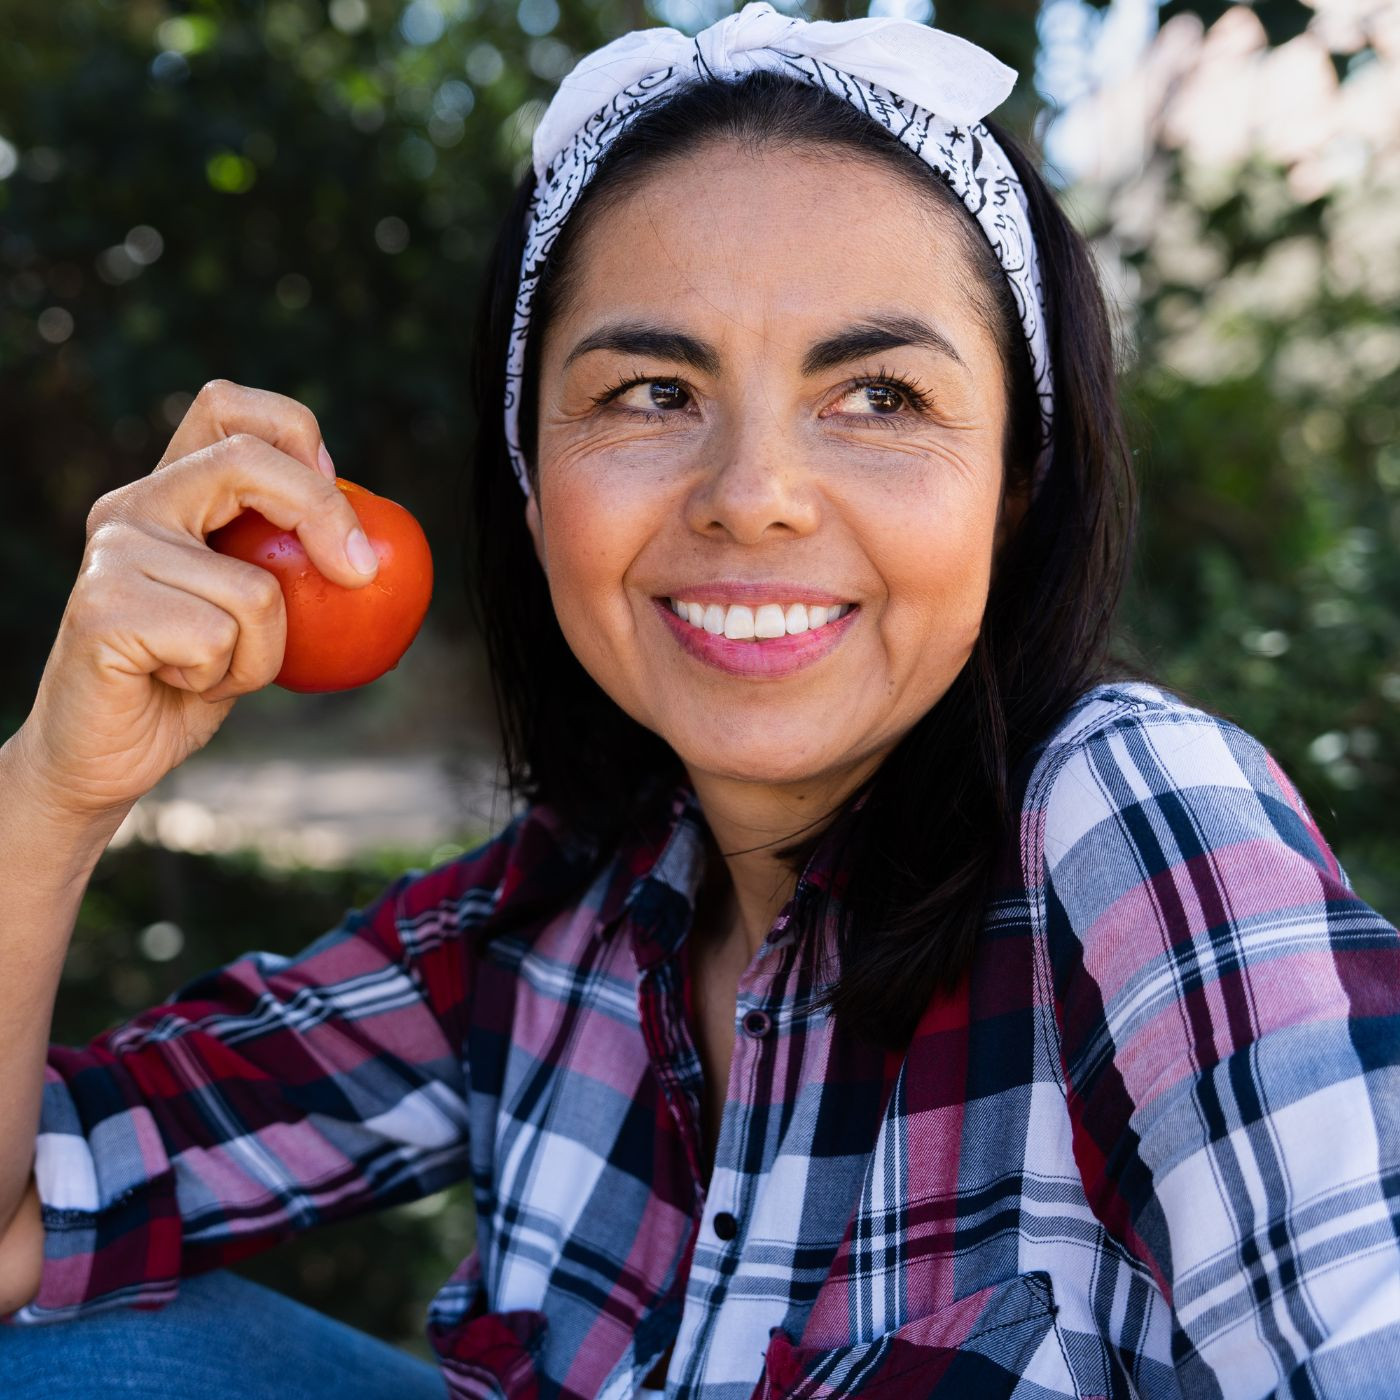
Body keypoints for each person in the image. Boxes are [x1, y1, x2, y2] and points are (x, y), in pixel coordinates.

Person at [1, 4, 1397, 1397]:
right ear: (536, 488)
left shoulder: (1131, 821)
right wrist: (55, 787)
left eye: (879, 398)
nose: (752, 499)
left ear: (1016, 490)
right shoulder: (536, 930)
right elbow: (17, 1234)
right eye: (654, 390)